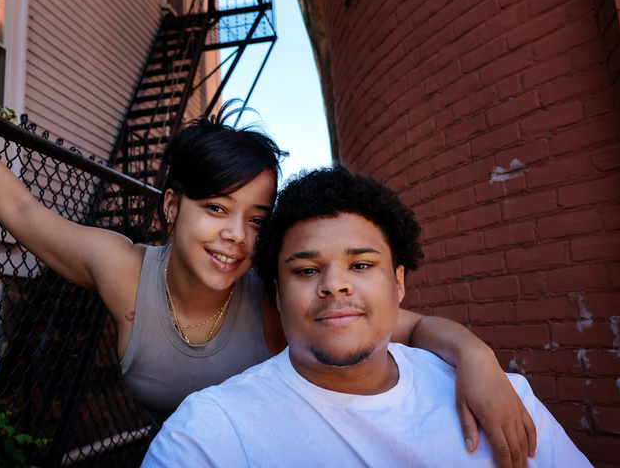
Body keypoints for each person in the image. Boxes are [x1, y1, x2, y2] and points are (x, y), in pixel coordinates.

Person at [0, 62, 536, 466]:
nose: (236, 236)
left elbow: (413, 325)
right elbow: (23, 211)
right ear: (172, 206)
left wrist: (479, 362)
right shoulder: (124, 273)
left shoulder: (276, 298)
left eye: (257, 219)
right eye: (215, 207)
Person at [143, 167, 590, 468]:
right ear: (277, 294)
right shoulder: (209, 434)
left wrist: (474, 354)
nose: (335, 285)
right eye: (305, 270)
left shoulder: (505, 397)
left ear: (398, 281)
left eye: (360, 265)